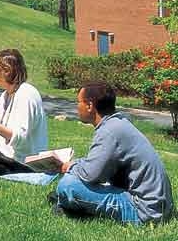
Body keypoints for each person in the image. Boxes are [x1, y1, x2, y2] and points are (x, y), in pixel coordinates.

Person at [54, 82, 173, 224]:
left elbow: (91, 175)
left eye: (78, 102)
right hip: (159, 208)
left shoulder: (109, 131)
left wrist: (69, 167)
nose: (77, 106)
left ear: (90, 106)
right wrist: (75, 164)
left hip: (144, 212)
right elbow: (97, 167)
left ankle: (76, 208)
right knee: (74, 183)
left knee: (67, 185)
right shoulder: (118, 123)